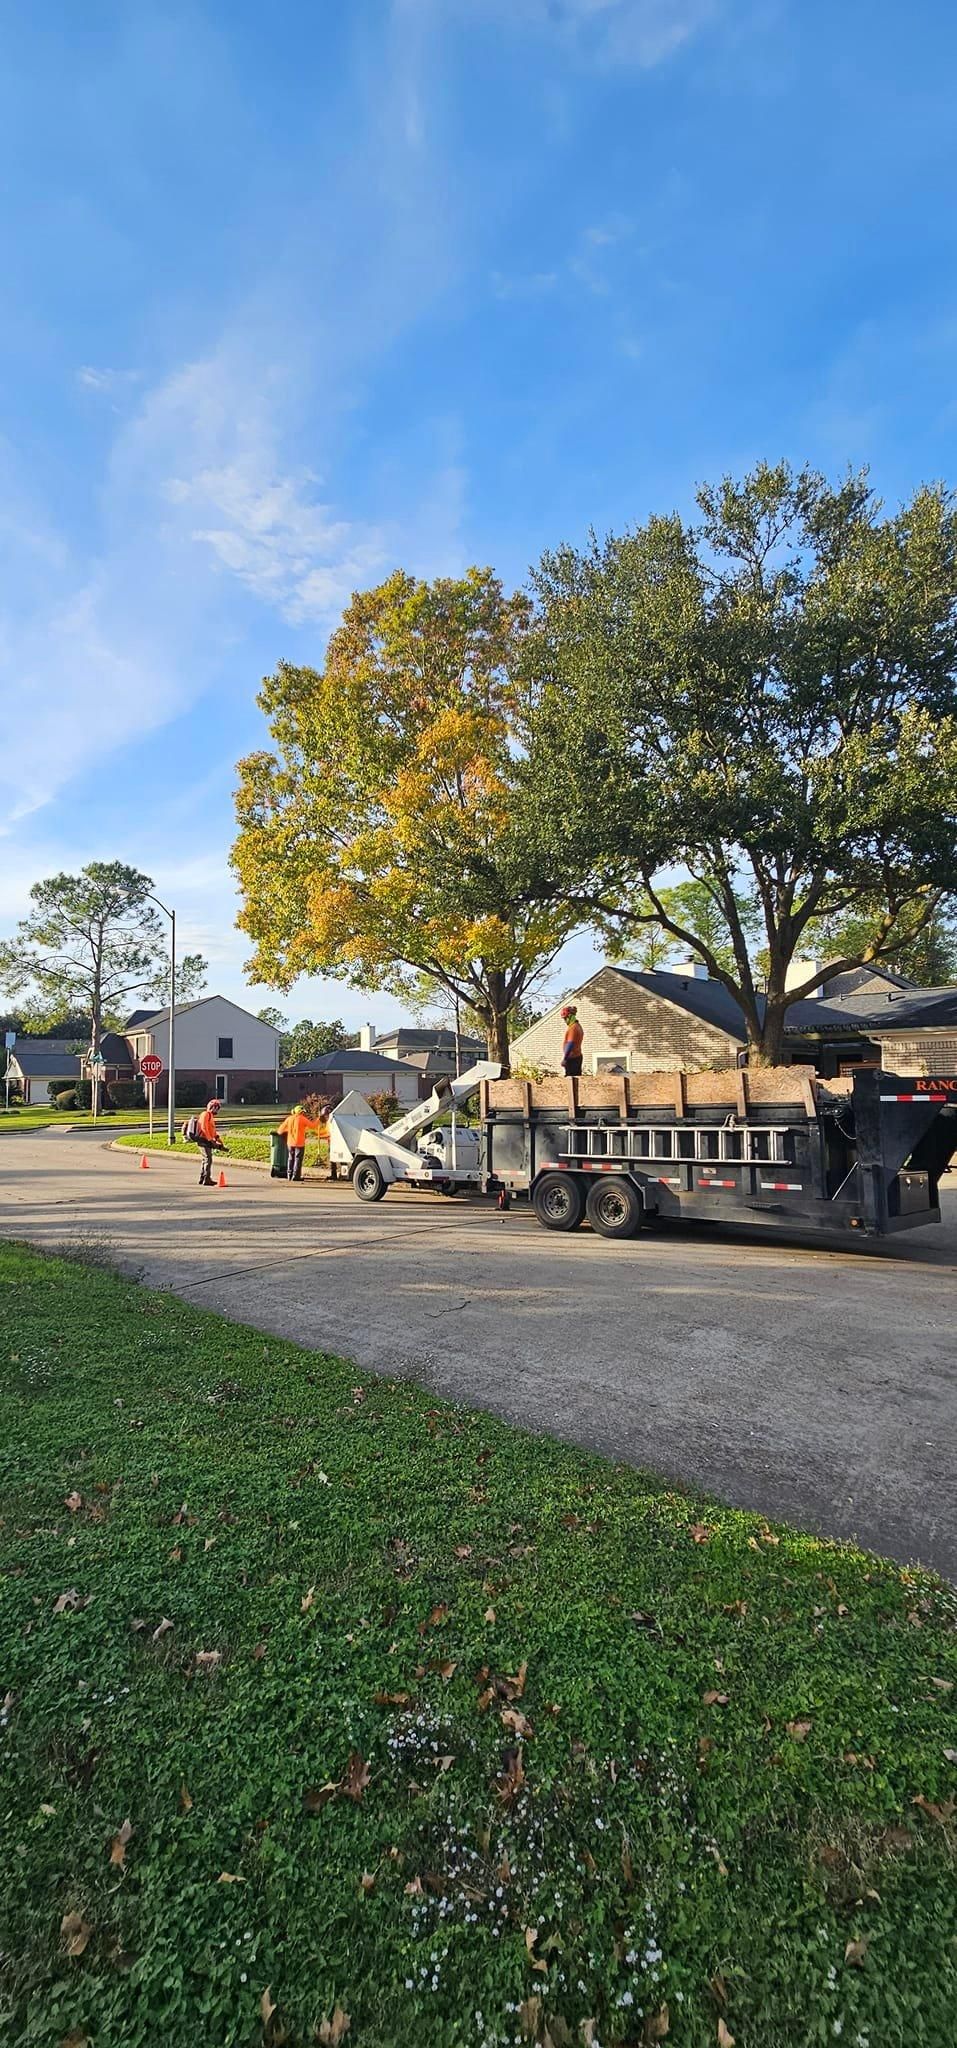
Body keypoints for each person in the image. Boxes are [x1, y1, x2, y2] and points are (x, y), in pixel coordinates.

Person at [278, 1102, 323, 1182]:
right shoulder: (302, 1119)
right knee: (297, 1159)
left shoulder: (289, 1119)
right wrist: (319, 1119)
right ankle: (296, 1176)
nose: (304, 1114)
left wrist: (287, 1132)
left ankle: (289, 1175)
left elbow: (280, 1130)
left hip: (290, 1143)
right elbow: (313, 1126)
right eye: (303, 1112)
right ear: (301, 1112)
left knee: (290, 1158)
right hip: (299, 1143)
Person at [196, 1098, 227, 1186]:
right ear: (212, 1107)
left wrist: (218, 1140)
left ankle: (203, 1178)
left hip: (207, 1140)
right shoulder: (205, 1114)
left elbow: (212, 1130)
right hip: (203, 1140)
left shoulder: (210, 1116)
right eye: (216, 1108)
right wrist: (210, 1140)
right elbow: (204, 1128)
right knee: (207, 1159)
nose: (217, 1110)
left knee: (206, 1159)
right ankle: (206, 1179)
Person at [561, 1004, 584, 1077]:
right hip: (577, 1057)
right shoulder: (578, 1026)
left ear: (570, 1016)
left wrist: (565, 1058)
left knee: (571, 1080)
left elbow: (570, 1044)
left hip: (572, 1058)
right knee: (577, 1078)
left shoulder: (573, 1028)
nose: (565, 1021)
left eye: (565, 1018)